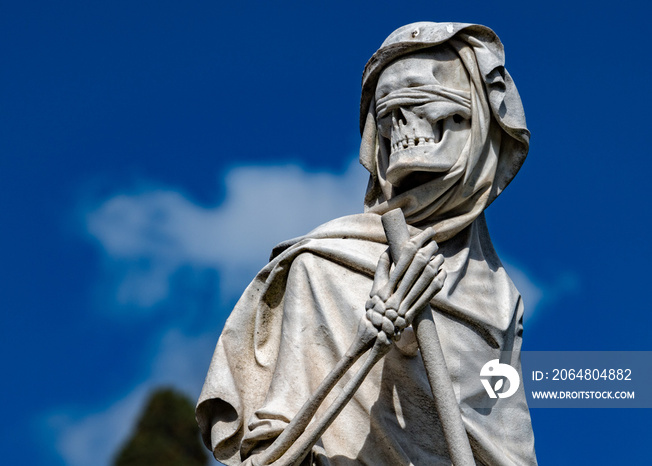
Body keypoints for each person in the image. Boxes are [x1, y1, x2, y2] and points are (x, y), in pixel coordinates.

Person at [197, 22, 537, 465]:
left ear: (477, 123)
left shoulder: (500, 296)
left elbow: (510, 450)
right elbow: (270, 458)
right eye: (384, 106)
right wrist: (371, 341)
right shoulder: (322, 266)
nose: (396, 116)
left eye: (419, 91)